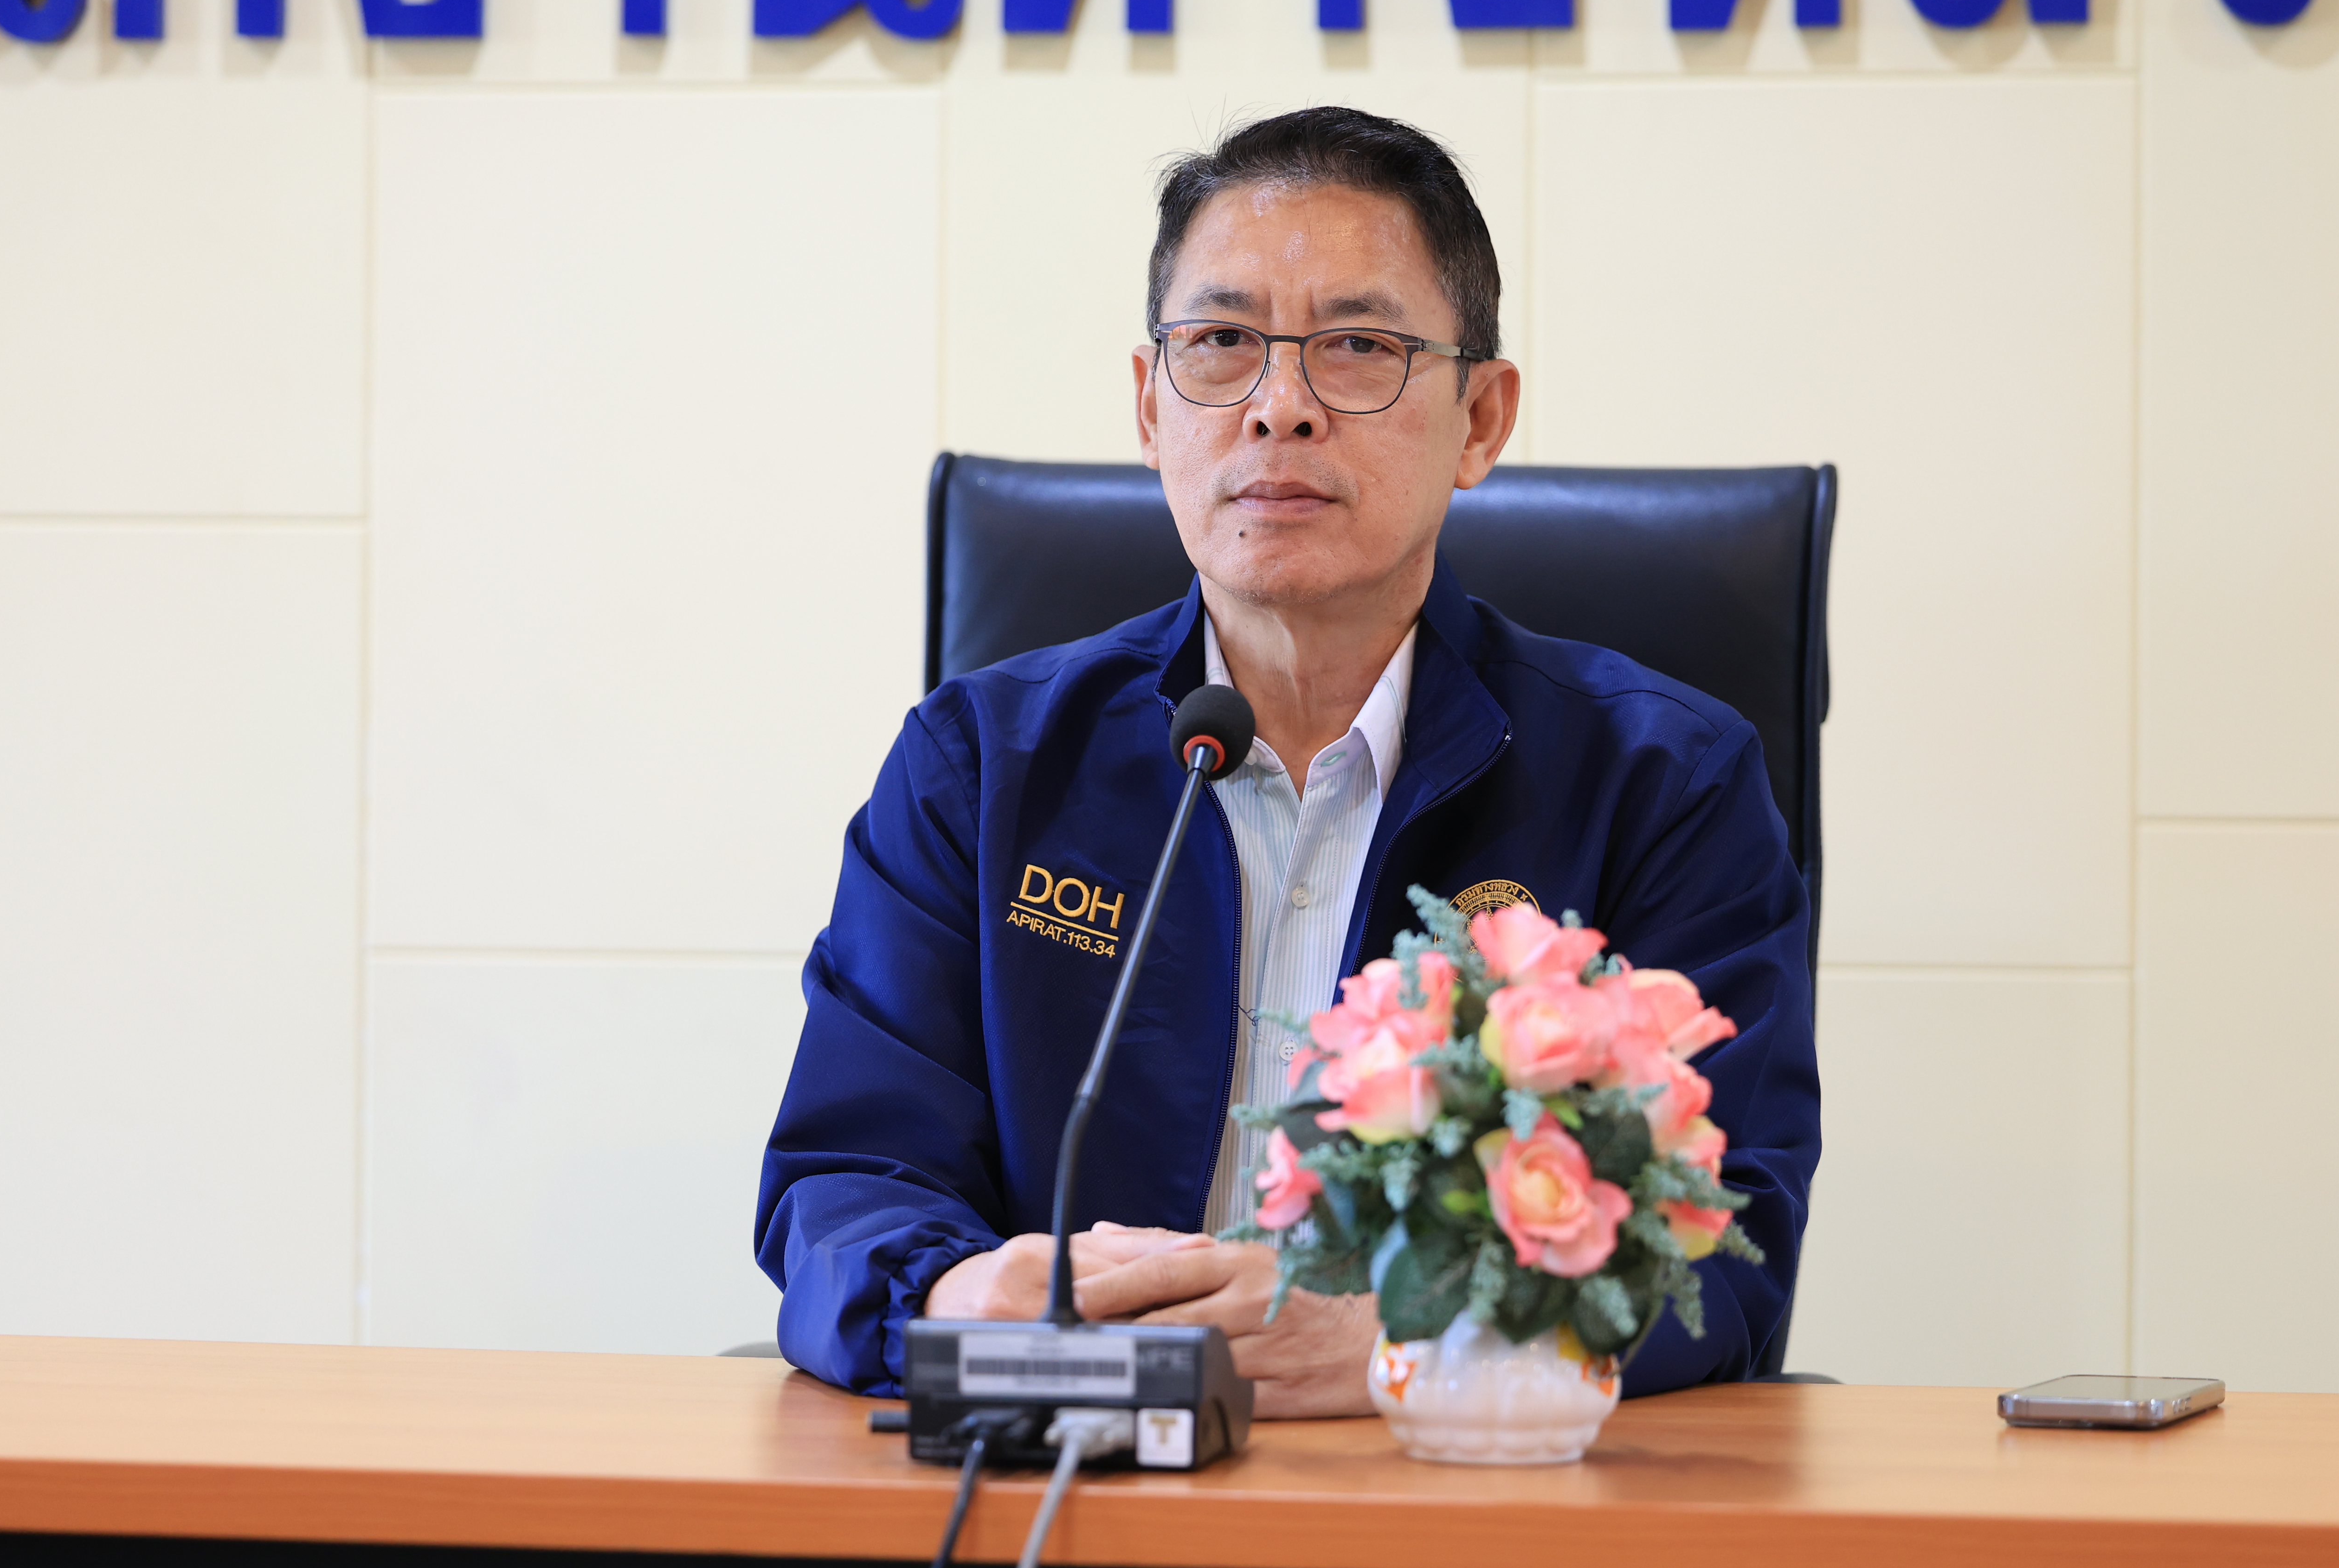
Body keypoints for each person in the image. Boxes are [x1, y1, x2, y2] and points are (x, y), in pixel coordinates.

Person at [755, 107, 1820, 1415]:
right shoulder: (980, 766)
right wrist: (958, 1295)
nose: (1279, 409)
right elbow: (843, 1182)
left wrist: (1403, 1342)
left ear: (1481, 420)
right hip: (1071, 1475)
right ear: (1150, 407)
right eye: (1220, 344)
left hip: (1467, 1499)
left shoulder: (1663, 781)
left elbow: (1726, 1246)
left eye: (1359, 348)